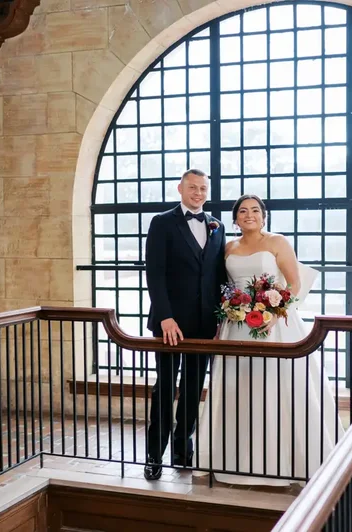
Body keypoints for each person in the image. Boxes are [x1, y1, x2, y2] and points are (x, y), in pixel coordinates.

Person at [194, 194, 344, 487]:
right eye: (242, 211)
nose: (249, 215)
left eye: (255, 210)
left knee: (278, 386)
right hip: (236, 326)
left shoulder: (277, 242)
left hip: (276, 324)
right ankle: (235, 461)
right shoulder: (228, 247)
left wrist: (275, 313)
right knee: (239, 389)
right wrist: (230, 310)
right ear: (235, 218)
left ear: (264, 216)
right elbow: (224, 286)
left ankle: (290, 463)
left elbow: (294, 282)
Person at [143, 169, 226, 481]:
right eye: (193, 187)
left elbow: (218, 276)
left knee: (192, 390)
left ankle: (182, 451)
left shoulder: (217, 227)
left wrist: (219, 320)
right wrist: (165, 316)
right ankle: (154, 455)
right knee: (164, 389)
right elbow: (155, 273)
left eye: (203, 188)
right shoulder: (162, 222)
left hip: (204, 325)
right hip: (169, 323)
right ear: (180, 188)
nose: (198, 193)